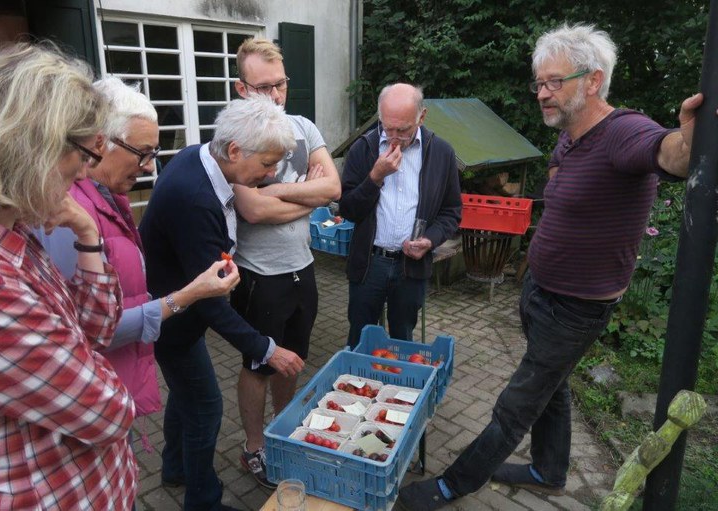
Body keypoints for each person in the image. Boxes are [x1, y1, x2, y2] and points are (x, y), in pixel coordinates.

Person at [396, 24, 704, 511]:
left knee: (516, 405)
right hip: (540, 289)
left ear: (594, 80)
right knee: (553, 387)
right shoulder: (569, 137)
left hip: (576, 307)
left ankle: (453, 485)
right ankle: (549, 470)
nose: (542, 93)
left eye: (554, 82)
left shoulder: (623, 131)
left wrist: (691, 139)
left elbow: (672, 154)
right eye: (539, 82)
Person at [0, 43, 137, 510]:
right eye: (75, 170)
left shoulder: (6, 227)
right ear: (36, 145)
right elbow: (109, 411)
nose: (75, 187)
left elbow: (95, 330)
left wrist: (88, 232)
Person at [37, 77, 239, 443]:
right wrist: (190, 294)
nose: (148, 167)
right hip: (94, 397)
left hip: (114, 383)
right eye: (142, 152)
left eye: (154, 154)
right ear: (101, 141)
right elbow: (94, 330)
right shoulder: (68, 215)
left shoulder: (109, 199)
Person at [139, 95, 305, 511]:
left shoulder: (200, 155)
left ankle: (175, 469)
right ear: (234, 150)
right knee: (207, 406)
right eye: (268, 163)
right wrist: (268, 349)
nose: (271, 175)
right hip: (173, 319)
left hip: (179, 313)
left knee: (185, 394)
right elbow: (212, 302)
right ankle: (203, 502)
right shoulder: (194, 198)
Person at [230, 37, 341, 488]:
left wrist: (274, 191)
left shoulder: (303, 127)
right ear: (241, 89)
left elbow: (333, 188)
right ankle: (254, 447)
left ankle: (284, 430)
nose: (274, 96)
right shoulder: (232, 138)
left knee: (292, 359)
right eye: (262, 87)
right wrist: (306, 198)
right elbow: (252, 210)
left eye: (280, 85)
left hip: (303, 267)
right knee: (259, 363)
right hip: (259, 274)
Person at [339, 83, 461, 348]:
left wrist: (430, 240)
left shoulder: (441, 153)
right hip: (369, 263)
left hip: (411, 268)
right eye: (387, 127)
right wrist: (375, 177)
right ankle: (359, 386)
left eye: (403, 130)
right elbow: (347, 209)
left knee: (402, 342)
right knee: (361, 339)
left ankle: (396, 388)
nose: (393, 137)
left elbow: (451, 212)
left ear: (422, 116)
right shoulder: (363, 149)